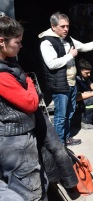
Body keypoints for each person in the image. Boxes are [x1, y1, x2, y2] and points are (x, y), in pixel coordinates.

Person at [39, 12, 93, 146]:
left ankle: (66, 138)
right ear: (53, 26)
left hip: (71, 83)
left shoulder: (68, 39)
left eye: (67, 26)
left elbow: (85, 46)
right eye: (62, 26)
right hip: (60, 85)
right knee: (60, 116)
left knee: (69, 112)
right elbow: (51, 64)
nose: (66, 29)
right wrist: (70, 55)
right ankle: (59, 144)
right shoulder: (47, 42)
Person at [0, 12, 45, 200]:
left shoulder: (9, 65)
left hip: (15, 139)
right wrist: (28, 81)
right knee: (29, 191)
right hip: (16, 142)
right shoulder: (3, 75)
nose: (20, 45)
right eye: (17, 42)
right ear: (1, 41)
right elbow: (31, 103)